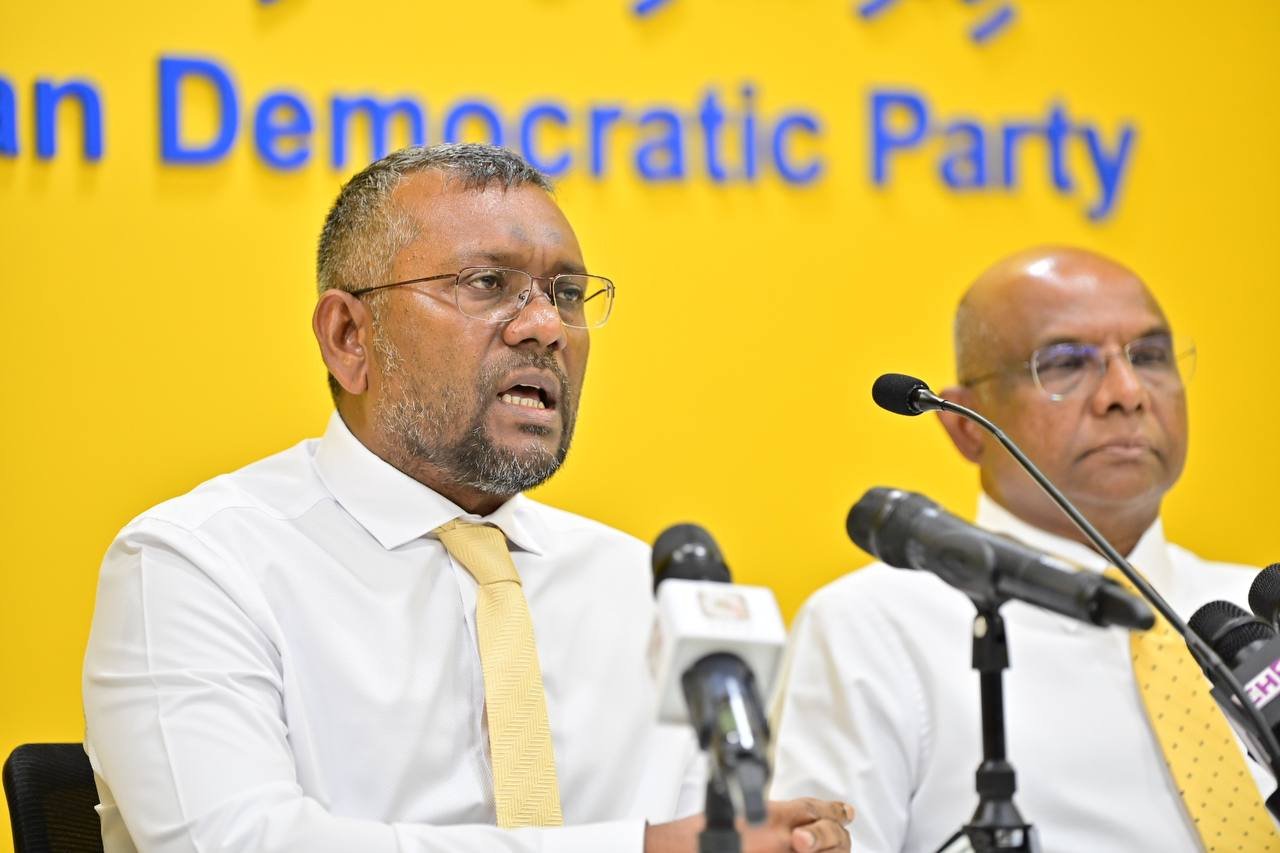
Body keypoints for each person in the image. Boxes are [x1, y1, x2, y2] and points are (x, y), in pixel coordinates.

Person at [83, 144, 852, 853]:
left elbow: (713, 827)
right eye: (488, 284)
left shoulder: (639, 585)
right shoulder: (196, 564)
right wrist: (639, 849)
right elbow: (241, 843)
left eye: (567, 293)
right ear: (349, 336)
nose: (546, 326)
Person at [769, 246, 1278, 852]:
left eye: (1148, 356)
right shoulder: (875, 627)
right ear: (966, 424)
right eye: (1066, 365)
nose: (1127, 392)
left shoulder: (1254, 613)